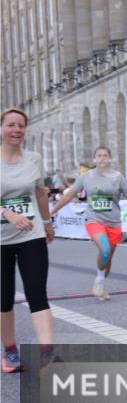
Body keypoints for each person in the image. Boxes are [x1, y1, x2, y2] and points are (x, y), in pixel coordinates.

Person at [48, 146, 127, 301]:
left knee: (108, 258)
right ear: (94, 159)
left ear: (110, 158)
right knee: (105, 249)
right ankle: (99, 282)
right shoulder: (86, 177)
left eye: (105, 155)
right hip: (94, 219)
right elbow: (68, 196)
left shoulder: (118, 177)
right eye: (99, 155)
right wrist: (51, 212)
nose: (102, 158)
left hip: (114, 222)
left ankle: (101, 282)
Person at [1, 109, 57, 374]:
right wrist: (6, 212)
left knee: (38, 294)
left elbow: (40, 193)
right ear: (1, 128)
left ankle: (47, 355)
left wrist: (47, 223)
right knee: (3, 299)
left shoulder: (33, 158)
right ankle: (10, 352)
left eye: (21, 125)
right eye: (10, 125)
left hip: (31, 236)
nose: (16, 130)